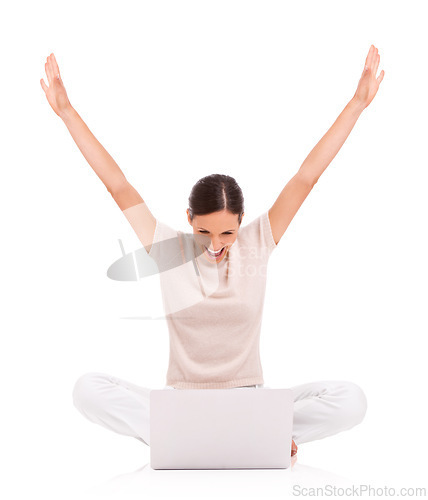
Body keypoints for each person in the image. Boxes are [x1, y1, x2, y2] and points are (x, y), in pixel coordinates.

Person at [41, 46, 384, 458]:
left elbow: (305, 177)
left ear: (242, 222)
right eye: (204, 232)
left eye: (227, 233)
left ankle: (230, 435)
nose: (216, 244)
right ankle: (214, 436)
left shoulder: (258, 242)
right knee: (87, 389)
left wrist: (357, 104)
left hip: (249, 402)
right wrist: (67, 113)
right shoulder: (169, 250)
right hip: (183, 404)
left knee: (351, 399)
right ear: (189, 218)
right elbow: (119, 186)